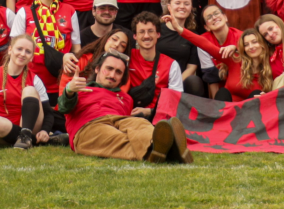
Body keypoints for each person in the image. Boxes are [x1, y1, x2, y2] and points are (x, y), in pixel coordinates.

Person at [59, 52, 191, 163]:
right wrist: (70, 90)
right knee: (116, 139)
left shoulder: (126, 99)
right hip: (90, 126)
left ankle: (158, 148)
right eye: (109, 69)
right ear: (97, 69)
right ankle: (167, 151)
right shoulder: (79, 89)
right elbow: (64, 107)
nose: (112, 75)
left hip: (120, 120)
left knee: (140, 124)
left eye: (118, 72)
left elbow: (130, 128)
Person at [0, 37, 50, 149]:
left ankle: (25, 137)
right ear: (10, 50)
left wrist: (45, 130)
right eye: (19, 49)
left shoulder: (34, 79)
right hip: (3, 131)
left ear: (31, 57)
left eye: (28, 51)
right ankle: (38, 141)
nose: (23, 54)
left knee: (29, 90)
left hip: (31, 128)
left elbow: (48, 112)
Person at [123, 13, 185, 115]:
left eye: (150, 31)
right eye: (141, 32)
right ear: (135, 36)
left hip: (159, 117)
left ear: (158, 34)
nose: (146, 36)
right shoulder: (126, 58)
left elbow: (175, 101)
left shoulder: (171, 65)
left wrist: (150, 112)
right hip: (130, 114)